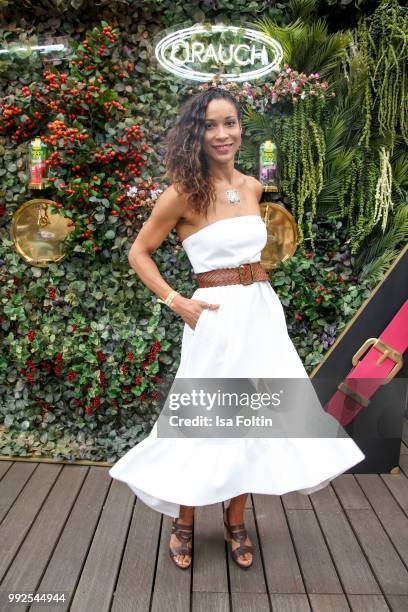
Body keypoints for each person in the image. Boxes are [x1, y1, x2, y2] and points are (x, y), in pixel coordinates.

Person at [109, 87, 365, 571]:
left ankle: (236, 519)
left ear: (241, 128)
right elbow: (138, 253)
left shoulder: (252, 187)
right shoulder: (183, 193)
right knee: (204, 419)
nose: (222, 134)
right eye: (210, 125)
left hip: (260, 313)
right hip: (214, 317)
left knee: (255, 418)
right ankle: (185, 519)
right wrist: (175, 300)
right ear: (196, 134)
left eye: (230, 123)